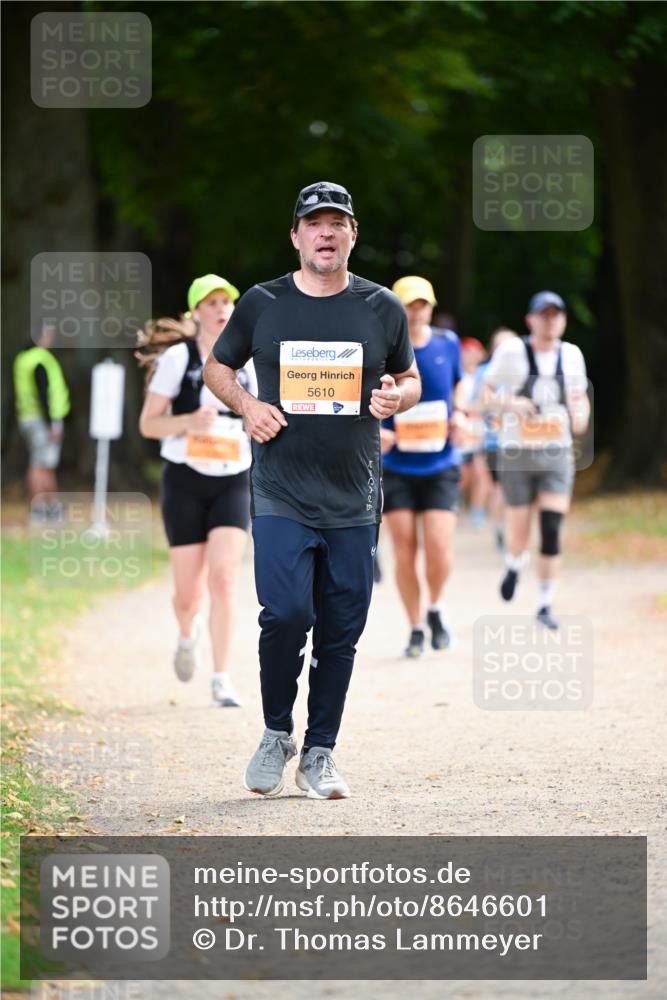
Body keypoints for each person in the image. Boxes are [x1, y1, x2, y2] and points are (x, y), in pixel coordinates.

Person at [204, 181, 420, 799]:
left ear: (353, 235)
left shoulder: (382, 307)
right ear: (296, 236)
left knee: (341, 629)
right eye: (315, 223)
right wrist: (248, 405)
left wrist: (396, 398)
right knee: (286, 614)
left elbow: (410, 379)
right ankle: (277, 733)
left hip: (354, 495)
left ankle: (320, 751)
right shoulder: (263, 302)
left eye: (338, 223)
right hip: (282, 490)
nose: (327, 232)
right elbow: (217, 366)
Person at [138, 274, 256, 706]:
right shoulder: (177, 358)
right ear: (195, 312)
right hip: (185, 479)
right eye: (212, 303)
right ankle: (188, 633)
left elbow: (262, 414)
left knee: (223, 579)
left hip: (233, 478)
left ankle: (221, 677)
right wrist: (189, 421)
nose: (222, 309)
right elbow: (148, 425)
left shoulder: (249, 359)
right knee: (188, 594)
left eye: (227, 301)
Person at [482, 292, 589, 629]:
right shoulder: (512, 352)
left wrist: (581, 416)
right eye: (544, 315)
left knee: (552, 529)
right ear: (530, 320)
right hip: (517, 452)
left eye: (556, 315)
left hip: (556, 452)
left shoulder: (572, 355)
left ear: (564, 320)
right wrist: (510, 404)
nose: (550, 321)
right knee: (519, 533)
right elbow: (485, 393)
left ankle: (544, 603)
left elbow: (580, 399)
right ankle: (515, 563)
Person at [380, 276, 465, 658]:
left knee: (438, 545)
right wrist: (379, 431)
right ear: (397, 309)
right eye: (409, 305)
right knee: (404, 550)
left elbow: (459, 385)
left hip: (440, 461)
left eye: (422, 304)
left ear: (431, 307)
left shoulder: (447, 343)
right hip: (397, 465)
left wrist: (460, 413)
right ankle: (415, 627)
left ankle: (435, 607)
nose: (416, 312)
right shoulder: (384, 348)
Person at [13, 322, 70, 519]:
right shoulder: (40, 359)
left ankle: (50, 506)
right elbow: (44, 392)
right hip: (41, 420)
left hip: (26, 417)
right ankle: (39, 508)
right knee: (40, 465)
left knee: (43, 463)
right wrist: (53, 422)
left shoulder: (23, 359)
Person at [470, 327, 519, 552]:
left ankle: (506, 528)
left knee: (512, 488)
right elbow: (476, 404)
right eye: (499, 346)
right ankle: (500, 529)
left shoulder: (524, 368)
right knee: (500, 486)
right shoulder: (484, 372)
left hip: (522, 440)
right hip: (494, 440)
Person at [458, 337, 491, 528]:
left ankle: (477, 511)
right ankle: (454, 503)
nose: (471, 356)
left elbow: (488, 402)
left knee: (481, 471)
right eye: (467, 352)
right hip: (463, 432)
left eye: (474, 352)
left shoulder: (485, 375)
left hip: (481, 432)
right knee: (463, 474)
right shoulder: (458, 375)